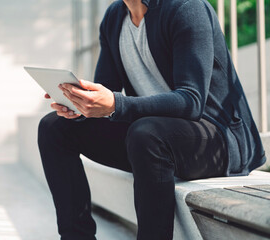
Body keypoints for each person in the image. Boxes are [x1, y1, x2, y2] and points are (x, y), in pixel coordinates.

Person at [37, 0, 266, 239]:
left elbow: (191, 101)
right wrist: (81, 106)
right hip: (152, 139)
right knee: (54, 127)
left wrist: (115, 104)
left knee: (146, 133)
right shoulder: (114, 18)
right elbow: (108, 91)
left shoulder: (187, 8)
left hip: (217, 139)